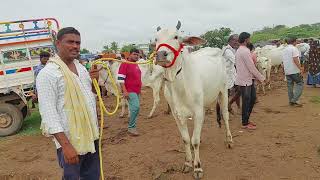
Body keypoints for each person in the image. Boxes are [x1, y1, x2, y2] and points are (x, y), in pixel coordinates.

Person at [36, 27, 101, 179]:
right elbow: (49, 114)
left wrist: (94, 82)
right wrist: (66, 147)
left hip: (91, 135)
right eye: (70, 42)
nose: (75, 46)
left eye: (78, 42)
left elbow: (90, 96)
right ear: (58, 44)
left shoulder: (81, 68)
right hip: (70, 141)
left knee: (92, 175)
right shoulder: (48, 74)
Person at [235, 32, 265, 130]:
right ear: (246, 40)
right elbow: (251, 67)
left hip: (247, 79)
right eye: (249, 39)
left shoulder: (240, 50)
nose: (250, 41)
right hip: (245, 79)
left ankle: (246, 120)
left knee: (251, 99)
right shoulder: (244, 51)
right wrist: (261, 78)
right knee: (247, 100)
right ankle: (245, 122)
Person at [118, 48, 142, 136]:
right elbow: (120, 79)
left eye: (137, 55)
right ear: (130, 54)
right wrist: (124, 91)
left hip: (137, 90)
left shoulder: (135, 64)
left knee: (134, 109)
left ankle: (133, 126)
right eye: (134, 54)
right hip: (129, 90)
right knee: (136, 108)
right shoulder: (125, 64)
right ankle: (131, 127)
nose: (136, 56)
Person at [216, 34, 239, 122]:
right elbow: (236, 61)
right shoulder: (228, 50)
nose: (236, 42)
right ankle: (220, 113)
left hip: (232, 74)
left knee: (238, 89)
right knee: (223, 95)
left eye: (237, 40)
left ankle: (228, 106)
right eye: (235, 40)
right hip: (225, 75)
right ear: (230, 41)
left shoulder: (233, 49)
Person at [282, 37, 304, 107]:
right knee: (300, 83)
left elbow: (283, 61)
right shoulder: (294, 49)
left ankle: (291, 101)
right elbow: (295, 59)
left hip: (287, 71)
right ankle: (294, 100)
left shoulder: (284, 49)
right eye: (296, 41)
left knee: (290, 86)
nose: (297, 42)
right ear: (294, 42)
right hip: (294, 70)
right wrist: (300, 68)